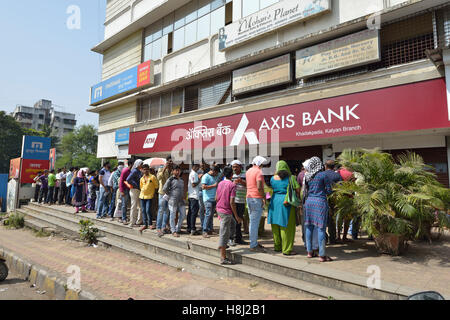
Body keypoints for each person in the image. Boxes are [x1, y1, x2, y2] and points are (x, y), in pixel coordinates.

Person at [303, 157, 333, 262]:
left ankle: (309, 252)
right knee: (321, 228)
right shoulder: (323, 175)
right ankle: (322, 255)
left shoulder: (307, 176)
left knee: (309, 227)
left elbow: (305, 190)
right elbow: (329, 191)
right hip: (320, 202)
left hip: (309, 202)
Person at [268, 161, 300, 256]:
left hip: (274, 202)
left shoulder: (272, 178)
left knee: (275, 226)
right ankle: (286, 249)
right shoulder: (291, 178)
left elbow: (270, 189)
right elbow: (297, 189)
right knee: (286, 227)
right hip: (286, 203)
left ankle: (277, 246)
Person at [216, 166, 242, 265]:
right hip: (226, 211)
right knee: (224, 232)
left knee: (232, 224)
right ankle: (223, 257)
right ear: (232, 175)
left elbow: (216, 197)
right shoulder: (232, 185)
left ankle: (223, 243)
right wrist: (237, 215)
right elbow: (232, 202)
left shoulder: (220, 183)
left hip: (220, 209)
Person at [246, 156, 267, 252]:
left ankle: (253, 242)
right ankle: (253, 244)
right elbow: (259, 187)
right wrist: (264, 197)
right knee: (254, 223)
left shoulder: (248, 171)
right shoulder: (259, 172)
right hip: (256, 198)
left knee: (252, 222)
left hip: (249, 197)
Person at [163, 165, 186, 237]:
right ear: (173, 171)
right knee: (172, 216)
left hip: (181, 201)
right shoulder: (170, 179)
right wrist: (170, 195)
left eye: (179, 170)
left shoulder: (181, 180)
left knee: (183, 215)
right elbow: (164, 189)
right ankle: (173, 231)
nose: (178, 172)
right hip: (172, 201)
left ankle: (177, 228)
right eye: (176, 170)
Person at [323, 160, 343, 244]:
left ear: (326, 166)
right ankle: (332, 238)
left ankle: (324, 237)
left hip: (323, 199)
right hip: (334, 200)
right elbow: (341, 188)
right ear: (334, 167)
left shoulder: (322, 175)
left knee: (322, 219)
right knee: (332, 220)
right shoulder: (337, 175)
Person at [231, 160, 247, 245]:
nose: (235, 168)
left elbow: (249, 185)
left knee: (239, 219)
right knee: (233, 219)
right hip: (233, 200)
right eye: (233, 167)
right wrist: (233, 183)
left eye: (236, 167)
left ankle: (238, 237)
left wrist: (242, 182)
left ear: (240, 166)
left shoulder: (245, 174)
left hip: (241, 200)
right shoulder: (231, 175)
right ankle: (233, 237)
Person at [201, 165, 221, 238]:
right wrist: (213, 185)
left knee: (211, 215)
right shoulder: (205, 176)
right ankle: (204, 230)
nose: (217, 174)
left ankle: (210, 229)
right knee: (208, 214)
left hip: (214, 199)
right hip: (207, 199)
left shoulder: (215, 176)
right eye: (216, 173)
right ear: (213, 170)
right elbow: (203, 187)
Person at [156, 156, 173, 237]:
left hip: (169, 193)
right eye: (169, 161)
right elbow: (158, 177)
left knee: (167, 211)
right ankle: (158, 228)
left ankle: (163, 227)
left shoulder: (173, 170)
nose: (171, 162)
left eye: (172, 161)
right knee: (161, 210)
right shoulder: (161, 168)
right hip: (162, 192)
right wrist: (164, 168)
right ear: (166, 161)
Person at [336, 166, 354, 242]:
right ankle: (344, 236)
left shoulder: (338, 173)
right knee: (347, 219)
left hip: (340, 199)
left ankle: (338, 236)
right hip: (349, 198)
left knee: (339, 218)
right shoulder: (352, 174)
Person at [139, 164, 159, 232]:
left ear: (149, 169)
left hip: (150, 196)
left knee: (148, 210)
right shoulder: (141, 178)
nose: (146, 171)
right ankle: (145, 224)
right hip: (142, 196)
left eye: (147, 169)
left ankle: (150, 223)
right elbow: (141, 187)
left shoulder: (152, 177)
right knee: (143, 211)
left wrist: (153, 193)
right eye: (144, 169)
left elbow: (156, 186)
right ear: (142, 170)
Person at [126, 159, 144, 227]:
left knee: (140, 206)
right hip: (134, 190)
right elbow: (128, 179)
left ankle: (139, 221)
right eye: (141, 164)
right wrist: (136, 185)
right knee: (134, 206)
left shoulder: (139, 171)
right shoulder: (134, 171)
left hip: (138, 190)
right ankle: (132, 222)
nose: (142, 165)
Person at [187, 163, 202, 235]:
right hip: (193, 196)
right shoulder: (193, 174)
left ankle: (190, 227)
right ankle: (192, 228)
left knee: (191, 212)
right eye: (197, 166)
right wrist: (199, 178)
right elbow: (193, 184)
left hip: (193, 195)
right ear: (194, 166)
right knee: (193, 213)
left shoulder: (194, 173)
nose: (198, 168)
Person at [120, 160, 134, 225]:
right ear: (130, 164)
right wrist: (121, 190)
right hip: (124, 190)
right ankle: (124, 218)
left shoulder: (130, 171)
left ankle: (125, 217)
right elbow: (121, 181)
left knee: (127, 204)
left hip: (129, 189)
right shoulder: (125, 171)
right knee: (124, 205)